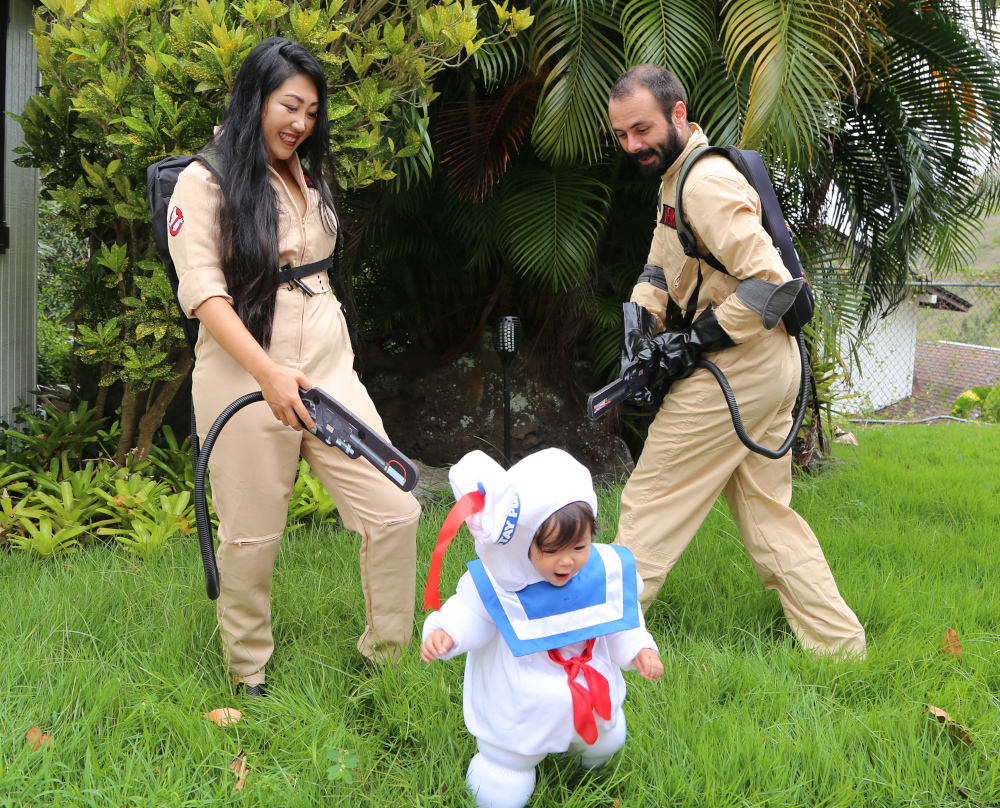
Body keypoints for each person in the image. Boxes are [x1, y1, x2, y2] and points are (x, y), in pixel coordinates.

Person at [167, 38, 421, 695]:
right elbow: (203, 295)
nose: (300, 123)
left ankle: (388, 663)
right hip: (242, 372)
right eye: (288, 106)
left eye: (311, 111)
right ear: (255, 99)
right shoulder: (204, 180)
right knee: (251, 538)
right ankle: (248, 674)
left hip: (327, 368)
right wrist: (268, 374)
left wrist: (322, 352)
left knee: (395, 506)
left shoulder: (306, 171)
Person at [606, 64, 865, 658]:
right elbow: (659, 265)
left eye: (641, 129)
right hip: (770, 365)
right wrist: (640, 331)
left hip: (737, 367)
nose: (632, 146)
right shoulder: (677, 180)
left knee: (650, 497)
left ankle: (594, 645)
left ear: (677, 114)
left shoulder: (703, 184)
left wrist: (693, 344)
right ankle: (841, 649)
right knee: (767, 514)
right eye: (621, 135)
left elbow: (771, 282)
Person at [420, 448, 662, 808]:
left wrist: (639, 648)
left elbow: (620, 621)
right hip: (524, 703)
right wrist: (447, 632)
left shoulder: (602, 573)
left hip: (589, 691)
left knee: (605, 739)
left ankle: (586, 758)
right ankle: (507, 771)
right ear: (523, 542)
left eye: (580, 546)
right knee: (504, 774)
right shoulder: (501, 584)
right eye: (551, 550)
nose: (568, 561)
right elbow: (471, 613)